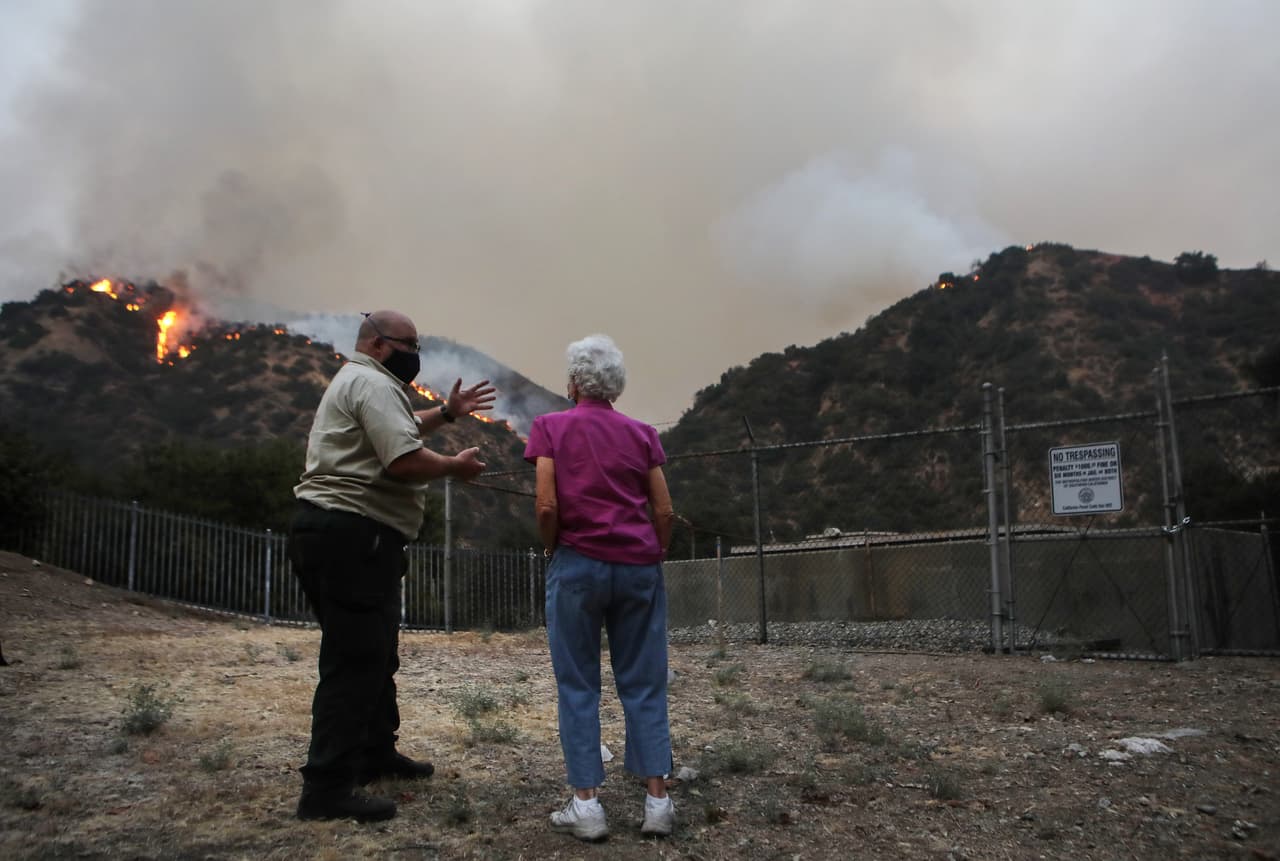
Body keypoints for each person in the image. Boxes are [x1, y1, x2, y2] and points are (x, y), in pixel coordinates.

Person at [289, 309, 493, 823]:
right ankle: (327, 788)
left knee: (375, 653)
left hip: (344, 535)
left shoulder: (366, 382)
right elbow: (402, 459)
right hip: (352, 535)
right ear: (378, 344)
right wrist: (454, 467)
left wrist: (446, 414)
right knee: (355, 661)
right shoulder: (372, 384)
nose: (415, 354)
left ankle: (375, 752)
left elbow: (396, 429)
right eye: (409, 344)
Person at [523, 334, 677, 841]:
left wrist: (553, 548)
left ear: (573, 382)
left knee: (578, 685)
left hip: (577, 565)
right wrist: (654, 553)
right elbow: (664, 510)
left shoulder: (550, 428)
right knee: (645, 681)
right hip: (637, 567)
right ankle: (658, 801)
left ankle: (587, 807)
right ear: (616, 385)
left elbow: (547, 506)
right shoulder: (642, 434)